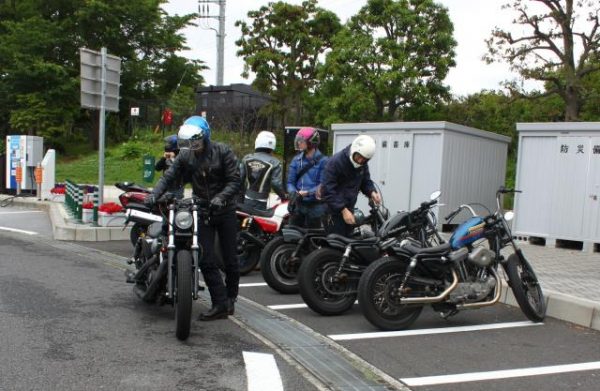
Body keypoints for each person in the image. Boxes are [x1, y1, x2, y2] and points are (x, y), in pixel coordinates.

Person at [146, 116, 241, 321]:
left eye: (194, 142)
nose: (191, 146)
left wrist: (221, 198)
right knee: (205, 258)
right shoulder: (186, 156)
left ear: (204, 138)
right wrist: (154, 194)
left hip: (225, 210)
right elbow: (168, 176)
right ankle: (220, 304)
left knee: (230, 258)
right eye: (187, 142)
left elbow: (235, 180)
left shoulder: (222, 151)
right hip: (202, 210)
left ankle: (231, 298)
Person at [320, 134, 382, 237]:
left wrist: (372, 192)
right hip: (333, 212)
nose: (360, 161)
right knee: (336, 246)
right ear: (354, 150)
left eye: (365, 159)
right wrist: (343, 210)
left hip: (349, 209)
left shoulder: (362, 164)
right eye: (359, 157)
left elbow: (365, 180)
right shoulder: (335, 162)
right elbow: (328, 190)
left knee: (348, 244)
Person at [286, 127, 328, 228]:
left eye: (301, 141)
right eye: (298, 140)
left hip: (316, 207)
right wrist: (293, 192)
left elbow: (323, 185)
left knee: (314, 239)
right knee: (292, 237)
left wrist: (308, 192)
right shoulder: (296, 160)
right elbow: (290, 182)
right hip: (298, 205)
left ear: (311, 142)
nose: (299, 143)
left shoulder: (324, 161)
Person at [239, 131, 286, 210]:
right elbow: (276, 184)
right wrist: (284, 196)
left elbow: (239, 179)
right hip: (261, 201)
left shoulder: (247, 158)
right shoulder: (275, 162)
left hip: (246, 198)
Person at [154, 134, 184, 199]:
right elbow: (157, 168)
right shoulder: (167, 156)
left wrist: (173, 159)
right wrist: (163, 158)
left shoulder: (181, 157)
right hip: (165, 187)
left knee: (175, 207)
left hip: (176, 189)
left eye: (169, 144)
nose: (167, 145)